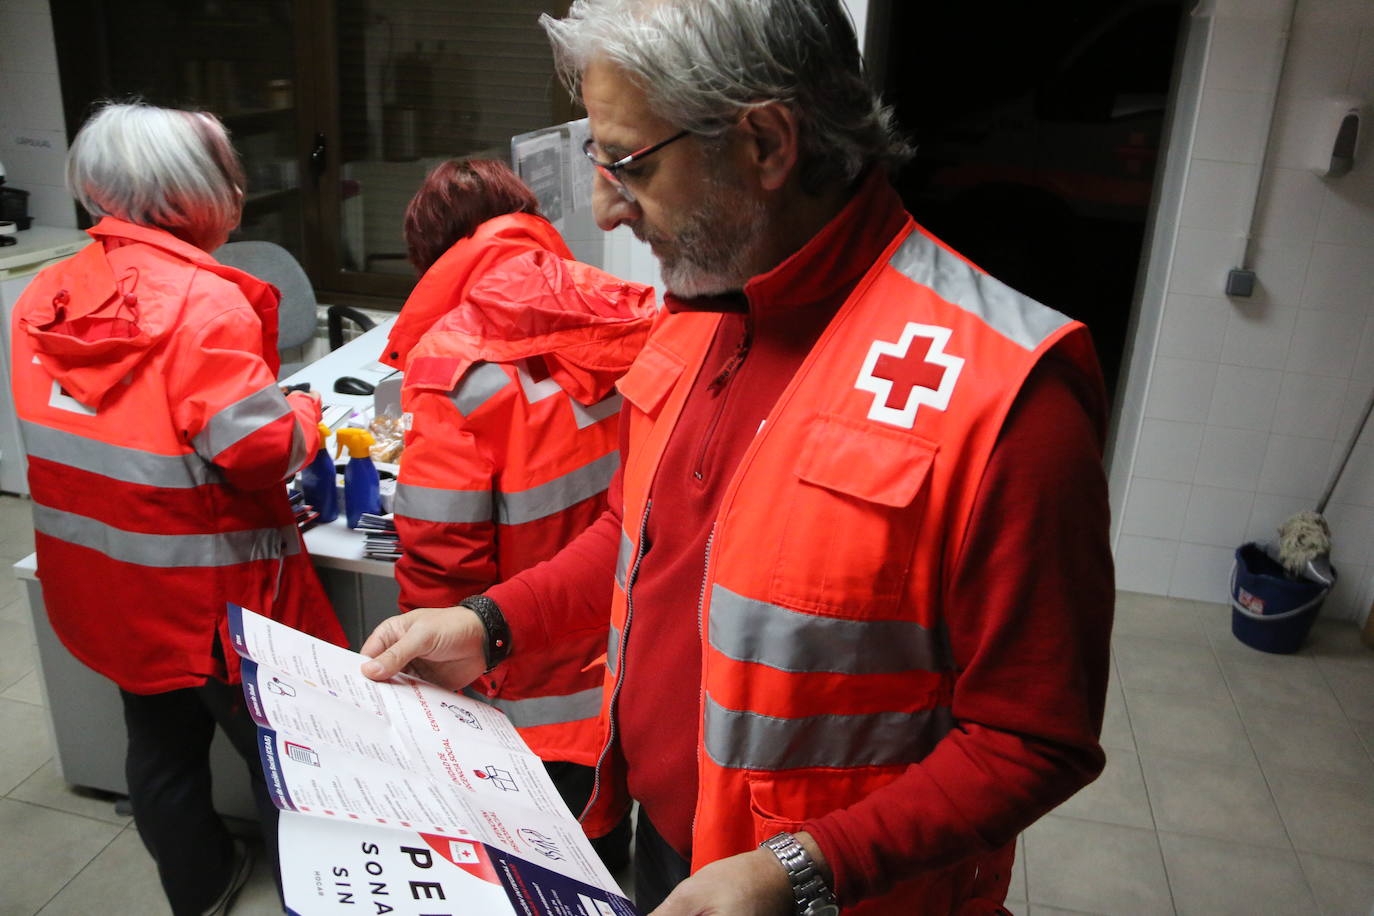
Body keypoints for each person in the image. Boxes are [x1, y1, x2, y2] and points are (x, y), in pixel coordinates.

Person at [360, 2, 1115, 914]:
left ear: (765, 144)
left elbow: (1031, 739)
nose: (603, 205)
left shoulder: (1010, 398)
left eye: (631, 163)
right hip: (676, 849)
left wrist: (797, 870)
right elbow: (643, 536)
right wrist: (489, 623)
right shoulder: (705, 310)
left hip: (833, 888)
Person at [10, 101, 346, 916]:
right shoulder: (206, 304)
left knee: (159, 748)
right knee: (286, 761)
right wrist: (304, 414)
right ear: (204, 190)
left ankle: (197, 888)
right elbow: (260, 450)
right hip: (214, 605)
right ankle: (318, 894)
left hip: (105, 586)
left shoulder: (43, 297)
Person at [386, 158, 654, 865]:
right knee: (600, 849)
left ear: (436, 255)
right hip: (625, 658)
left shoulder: (450, 363)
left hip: (515, 673)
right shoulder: (623, 305)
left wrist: (431, 667)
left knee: (528, 868)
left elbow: (442, 553)